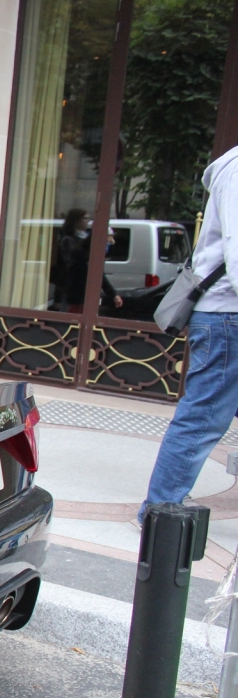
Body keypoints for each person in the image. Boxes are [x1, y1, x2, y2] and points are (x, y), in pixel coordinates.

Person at [141, 145, 238, 520]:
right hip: (227, 316)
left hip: (226, 316)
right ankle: (160, 515)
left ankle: (162, 509)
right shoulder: (235, 170)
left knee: (203, 414)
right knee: (202, 417)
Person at [51, 208, 121, 311]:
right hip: (73, 293)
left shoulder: (86, 238)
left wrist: (113, 293)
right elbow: (76, 259)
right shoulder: (68, 240)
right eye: (85, 218)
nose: (88, 221)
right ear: (75, 220)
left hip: (88, 293)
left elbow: (97, 271)